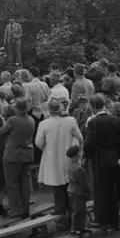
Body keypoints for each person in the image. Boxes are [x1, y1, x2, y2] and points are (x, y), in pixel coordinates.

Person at [35, 98, 82, 229]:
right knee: (69, 183)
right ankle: (70, 212)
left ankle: (61, 211)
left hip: (53, 156)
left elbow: (38, 143)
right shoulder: (70, 121)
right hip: (67, 155)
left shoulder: (44, 124)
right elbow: (79, 137)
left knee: (57, 186)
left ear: (49, 110)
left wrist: (47, 146)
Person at [1, 95, 35, 220]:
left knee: (12, 183)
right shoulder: (31, 120)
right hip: (27, 154)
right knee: (24, 182)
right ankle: (25, 208)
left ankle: (16, 210)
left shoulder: (13, 120)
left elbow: (1, 132)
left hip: (13, 154)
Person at [66, 144, 91, 237]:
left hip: (71, 190)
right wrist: (88, 191)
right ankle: (77, 228)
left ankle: (79, 227)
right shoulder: (79, 168)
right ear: (77, 155)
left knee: (76, 210)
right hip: (78, 191)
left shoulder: (70, 166)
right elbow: (83, 182)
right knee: (80, 210)